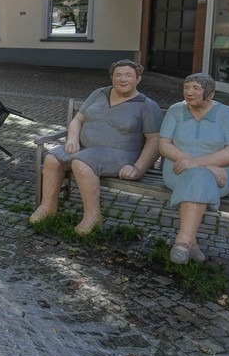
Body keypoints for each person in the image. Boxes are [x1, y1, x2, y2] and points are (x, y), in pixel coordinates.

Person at [30, 60, 163, 234]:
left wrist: (138, 168)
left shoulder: (147, 106)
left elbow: (155, 140)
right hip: (86, 150)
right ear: (112, 77)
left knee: (81, 164)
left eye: (129, 75)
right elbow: (78, 119)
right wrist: (72, 139)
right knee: (52, 158)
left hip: (121, 155)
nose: (123, 79)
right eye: (118, 75)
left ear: (138, 79)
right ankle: (47, 207)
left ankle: (92, 217)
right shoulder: (98, 94)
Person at [159, 73, 229, 264]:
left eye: (196, 88)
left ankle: (183, 242)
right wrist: (201, 165)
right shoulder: (175, 110)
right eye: (186, 87)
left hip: (220, 175)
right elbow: (164, 146)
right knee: (198, 176)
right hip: (177, 170)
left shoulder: (227, 114)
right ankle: (190, 242)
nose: (189, 92)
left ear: (210, 94)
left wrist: (198, 164)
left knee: (198, 176)